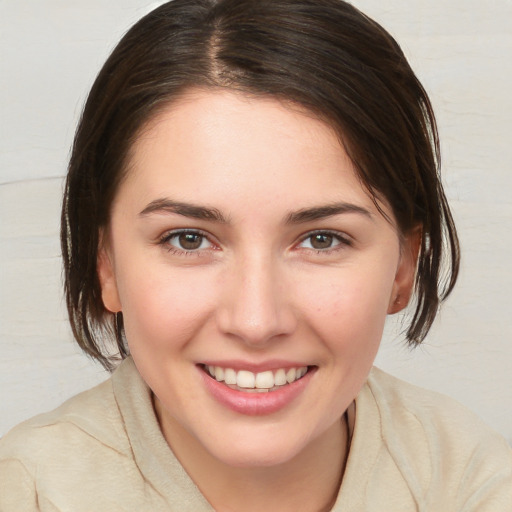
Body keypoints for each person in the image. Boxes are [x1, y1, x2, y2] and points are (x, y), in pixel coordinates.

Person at [0, 0, 510, 510]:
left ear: (403, 267)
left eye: (322, 239)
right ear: (105, 263)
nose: (255, 321)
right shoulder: (27, 492)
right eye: (189, 239)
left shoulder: (473, 484)